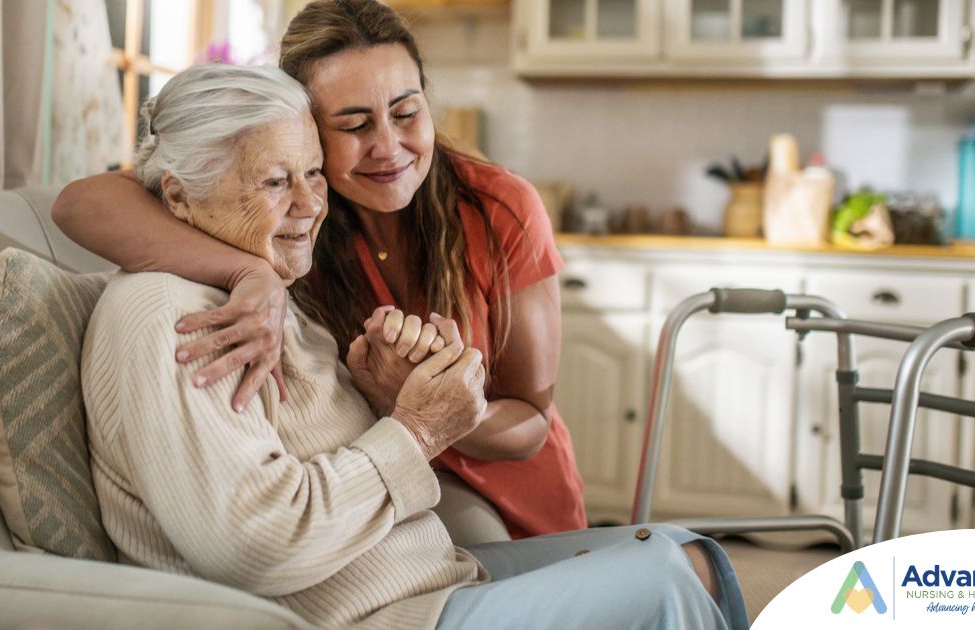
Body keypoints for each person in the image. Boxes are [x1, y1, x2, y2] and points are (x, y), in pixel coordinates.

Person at [82, 62, 747, 629]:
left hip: (428, 580)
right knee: (664, 578)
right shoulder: (173, 319)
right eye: (275, 182)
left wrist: (388, 391)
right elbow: (255, 543)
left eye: (312, 173)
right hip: (381, 617)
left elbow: (320, 449)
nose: (311, 205)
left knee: (688, 553)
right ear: (179, 197)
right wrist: (418, 427)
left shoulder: (260, 289)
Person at [54, 0, 583, 542]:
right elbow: (80, 204)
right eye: (353, 124)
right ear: (306, 127)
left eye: (406, 113)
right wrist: (251, 274)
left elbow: (531, 423)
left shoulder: (498, 207)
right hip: (384, 492)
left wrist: (431, 406)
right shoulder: (296, 220)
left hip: (517, 501)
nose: (388, 148)